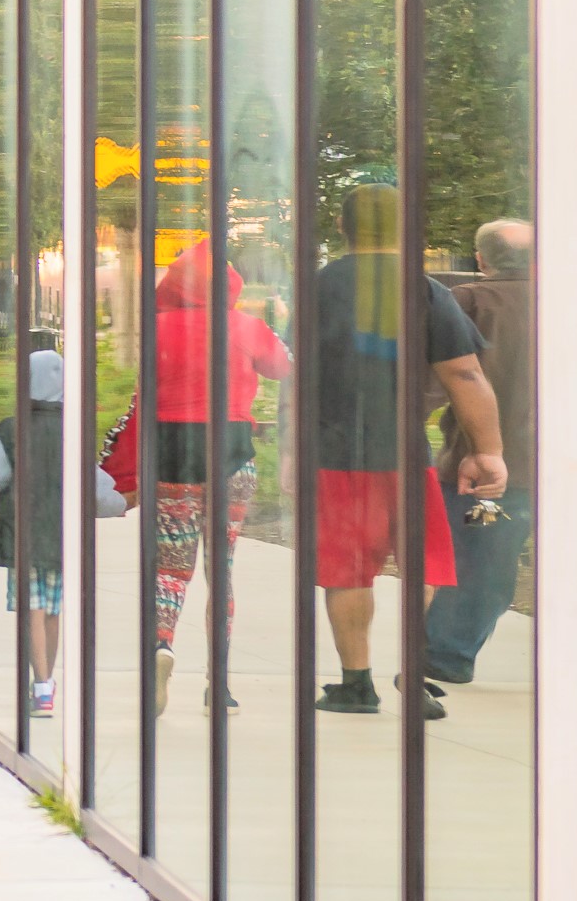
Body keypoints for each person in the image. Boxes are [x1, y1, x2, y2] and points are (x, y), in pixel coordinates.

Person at [310, 183, 507, 718]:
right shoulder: (424, 291)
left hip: (333, 454)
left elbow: (293, 378)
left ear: (341, 226)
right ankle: (411, 676)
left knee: (347, 570)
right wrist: (488, 451)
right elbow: (464, 374)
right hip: (405, 452)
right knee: (421, 563)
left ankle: (355, 683)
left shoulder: (316, 288)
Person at [99, 252, 293, 714]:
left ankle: (162, 645)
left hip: (172, 455)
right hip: (232, 453)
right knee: (219, 571)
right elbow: (285, 367)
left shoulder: (159, 328)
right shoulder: (244, 326)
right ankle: (218, 685)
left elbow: (144, 392)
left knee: (171, 569)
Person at [428, 220, 536, 687]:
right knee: (491, 558)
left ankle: (443, 654)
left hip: (483, 472)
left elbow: (440, 380)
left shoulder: (466, 301)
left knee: (478, 555)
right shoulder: (573, 300)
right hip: (550, 465)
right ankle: (443, 650)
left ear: (480, 258)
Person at [0, 344, 104, 718]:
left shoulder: (9, 430)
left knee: (30, 609)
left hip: (23, 533)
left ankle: (42, 685)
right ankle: (46, 685)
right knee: (52, 611)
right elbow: (95, 485)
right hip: (63, 535)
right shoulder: (75, 431)